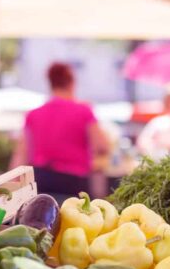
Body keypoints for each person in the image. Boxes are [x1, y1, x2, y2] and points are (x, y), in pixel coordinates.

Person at [13, 62, 109, 200]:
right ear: (72, 83)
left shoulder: (33, 114)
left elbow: (21, 154)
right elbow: (102, 146)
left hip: (41, 180)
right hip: (74, 182)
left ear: (50, 83)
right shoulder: (84, 111)